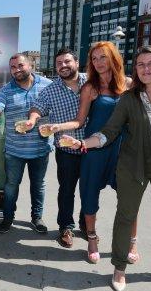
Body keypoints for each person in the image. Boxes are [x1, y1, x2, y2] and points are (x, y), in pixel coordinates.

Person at [62, 45, 151, 291]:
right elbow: (108, 131)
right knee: (125, 213)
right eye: (141, 64)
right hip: (133, 160)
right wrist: (82, 142)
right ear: (135, 68)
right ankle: (119, 267)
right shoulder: (130, 97)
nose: (146, 69)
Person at [44, 42, 139, 264]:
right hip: (95, 149)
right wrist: (56, 128)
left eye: (102, 57)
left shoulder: (130, 85)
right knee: (89, 196)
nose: (98, 62)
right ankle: (92, 239)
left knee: (129, 199)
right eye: (94, 59)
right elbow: (79, 120)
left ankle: (132, 242)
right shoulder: (90, 88)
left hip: (124, 150)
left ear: (114, 58)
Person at [0, 53, 51, 234]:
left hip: (40, 148)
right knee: (11, 185)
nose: (16, 70)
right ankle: (8, 217)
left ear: (30, 65)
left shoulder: (48, 86)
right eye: (13, 67)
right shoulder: (6, 90)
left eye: (20, 66)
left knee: (38, 185)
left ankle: (36, 217)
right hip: (14, 151)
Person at [24, 48, 86, 248]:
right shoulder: (51, 89)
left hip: (92, 148)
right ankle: (66, 227)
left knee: (89, 189)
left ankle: (86, 224)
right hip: (66, 151)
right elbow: (37, 107)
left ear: (76, 62)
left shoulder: (92, 83)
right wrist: (33, 119)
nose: (63, 66)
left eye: (67, 61)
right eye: (59, 63)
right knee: (67, 190)